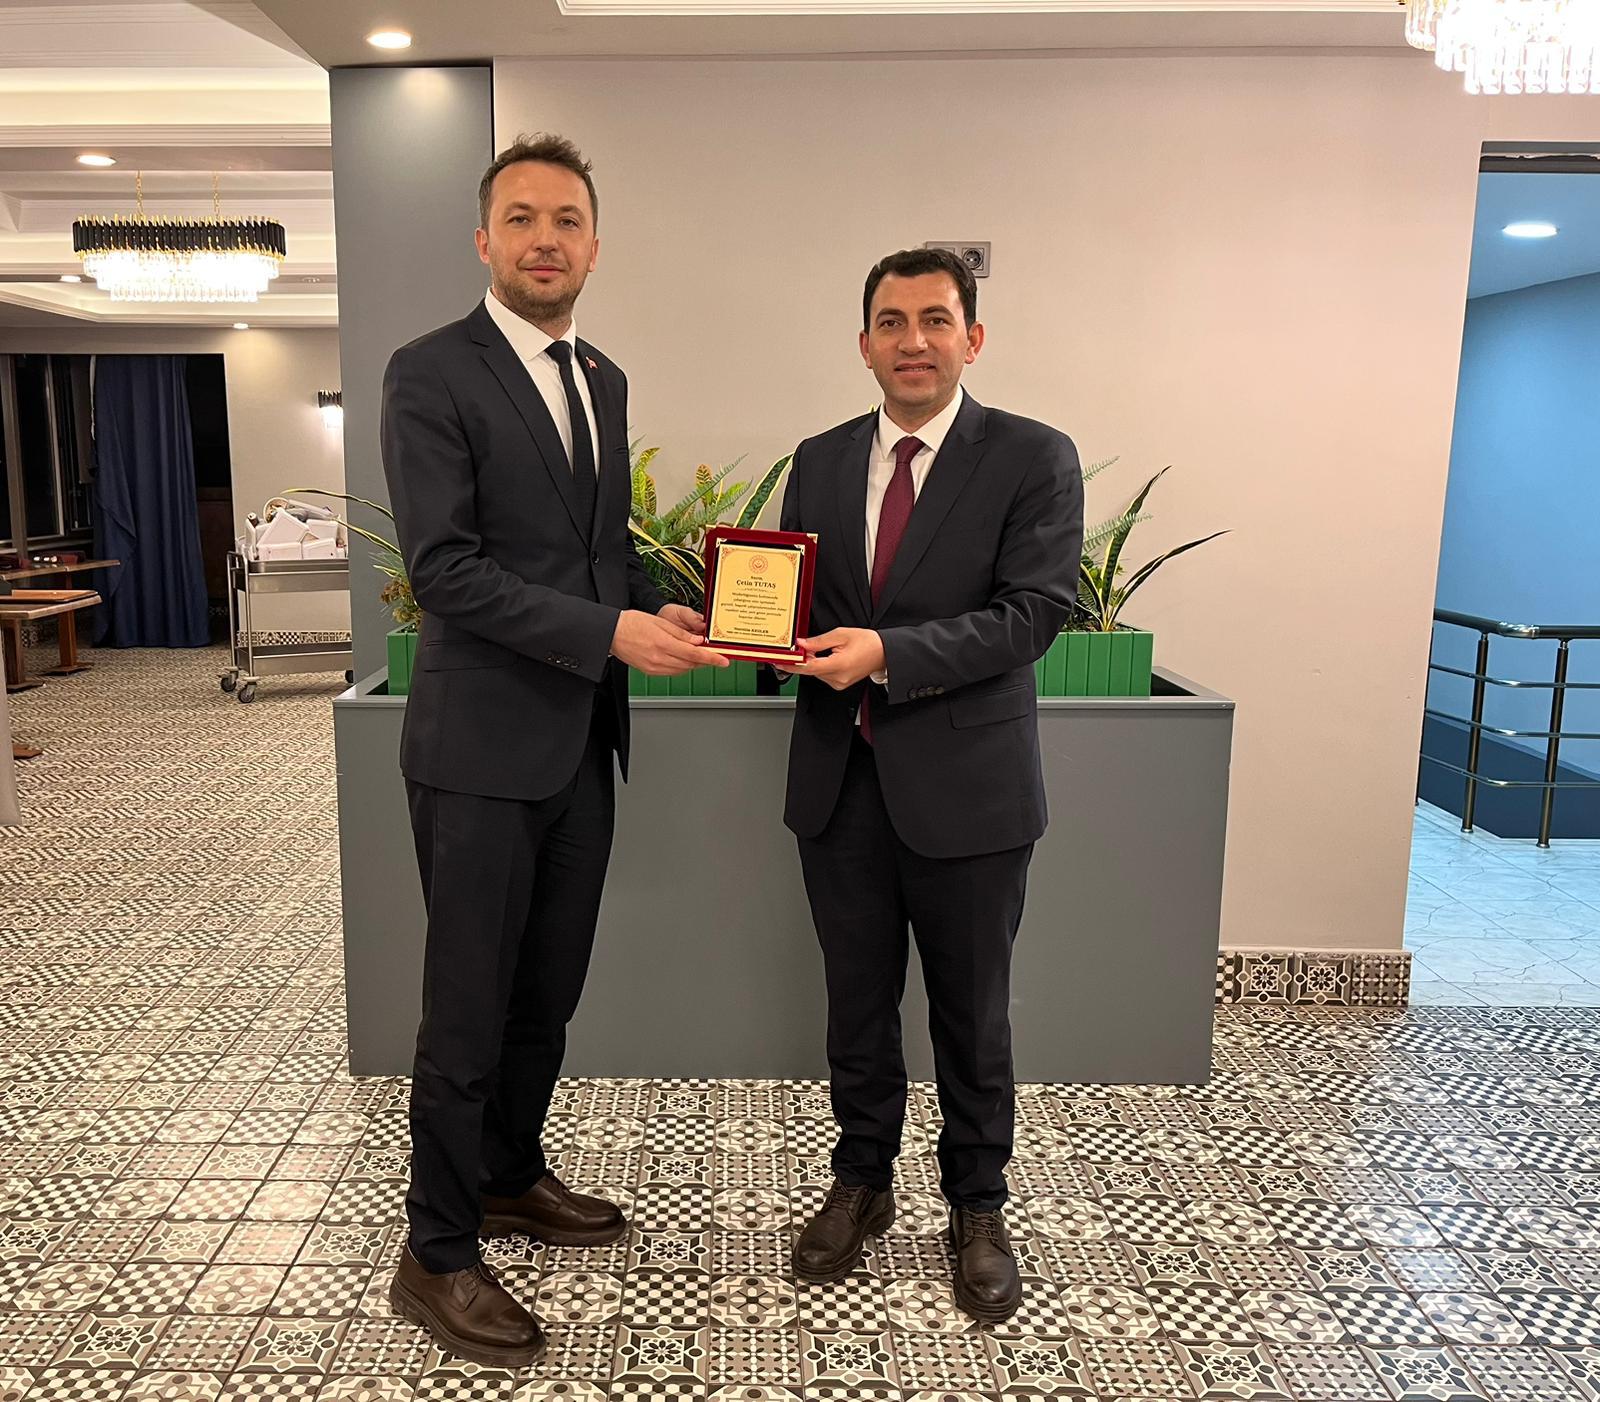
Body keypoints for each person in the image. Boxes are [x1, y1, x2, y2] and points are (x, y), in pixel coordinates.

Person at [380, 133, 725, 1366]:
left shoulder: (602, 378)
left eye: (566, 219)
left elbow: (594, 550)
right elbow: (445, 571)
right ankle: (435, 1252)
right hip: (477, 746)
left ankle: (508, 1174)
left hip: (581, 740)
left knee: (546, 990)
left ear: (594, 244)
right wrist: (610, 631)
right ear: (484, 239)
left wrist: (663, 607)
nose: (544, 239)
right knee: (466, 1007)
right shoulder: (431, 372)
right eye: (520, 217)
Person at [778, 247, 1083, 1322]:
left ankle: (977, 1206)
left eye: (936, 320)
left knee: (972, 1013)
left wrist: (887, 654)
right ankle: (861, 1181)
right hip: (839, 783)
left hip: (971, 791)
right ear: (863, 343)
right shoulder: (819, 459)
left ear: (972, 338)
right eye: (891, 322)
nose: (913, 340)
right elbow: (793, 600)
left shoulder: (1033, 457)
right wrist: (756, 634)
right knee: (856, 1005)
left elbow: (1032, 614)